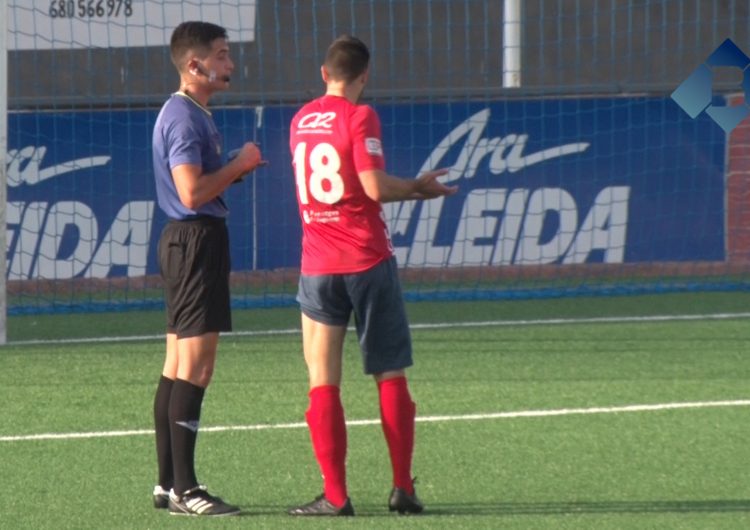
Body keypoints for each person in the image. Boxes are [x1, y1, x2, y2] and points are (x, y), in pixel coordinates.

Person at [286, 35, 458, 517]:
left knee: (323, 381)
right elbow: (373, 187)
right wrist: (419, 190)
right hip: (366, 260)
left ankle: (336, 496)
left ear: (324, 73)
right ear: (365, 75)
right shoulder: (360, 116)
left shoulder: (300, 120)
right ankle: (402, 487)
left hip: (318, 265)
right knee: (389, 374)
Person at [150, 21, 263, 517]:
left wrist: (234, 165)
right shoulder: (183, 118)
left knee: (177, 366)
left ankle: (166, 483)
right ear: (194, 65)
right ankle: (185, 490)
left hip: (189, 241)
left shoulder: (191, 111)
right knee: (195, 368)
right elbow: (192, 192)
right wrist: (240, 165)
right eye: (220, 55)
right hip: (195, 242)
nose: (230, 64)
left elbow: (197, 187)